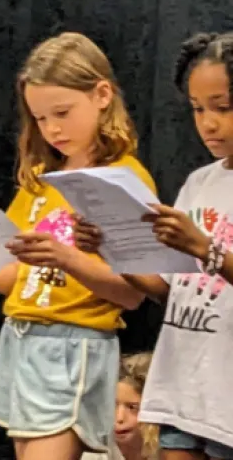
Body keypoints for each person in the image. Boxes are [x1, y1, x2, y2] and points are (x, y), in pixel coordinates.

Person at [0, 32, 156, 460]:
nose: (52, 129)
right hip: (21, 340)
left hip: (72, 345)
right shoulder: (42, 180)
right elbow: (15, 279)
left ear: (101, 95)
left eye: (62, 112)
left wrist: (68, 258)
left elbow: (133, 293)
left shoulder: (123, 179)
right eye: (40, 118)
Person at [76, 32, 233, 460]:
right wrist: (111, 250)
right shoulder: (200, 182)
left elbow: (205, 255)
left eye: (223, 107)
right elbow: (167, 288)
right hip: (183, 385)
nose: (208, 123)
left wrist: (205, 248)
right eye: (198, 109)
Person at [82, 352, 159, 460]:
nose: (119, 418)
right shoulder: (93, 453)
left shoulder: (170, 453)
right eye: (113, 405)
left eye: (132, 407)